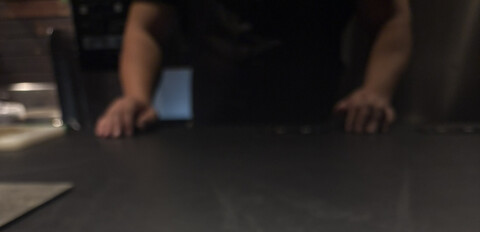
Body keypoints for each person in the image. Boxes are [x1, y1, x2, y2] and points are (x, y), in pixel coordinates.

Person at [95, 0, 411, 138]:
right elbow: (145, 28)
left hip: (319, 129)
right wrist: (136, 96)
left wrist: (376, 91)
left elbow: (390, 17)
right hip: (212, 133)